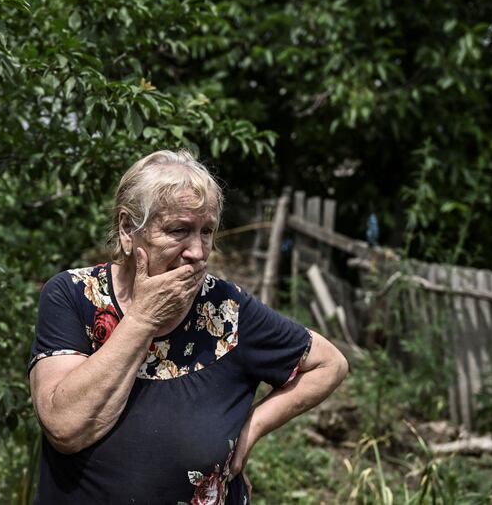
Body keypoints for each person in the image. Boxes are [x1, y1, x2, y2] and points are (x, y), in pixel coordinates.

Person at [29, 149, 349, 504]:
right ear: (127, 229)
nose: (197, 251)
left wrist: (250, 429)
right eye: (179, 230)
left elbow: (329, 364)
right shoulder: (74, 297)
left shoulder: (225, 310)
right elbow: (64, 427)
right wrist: (143, 320)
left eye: (207, 231)